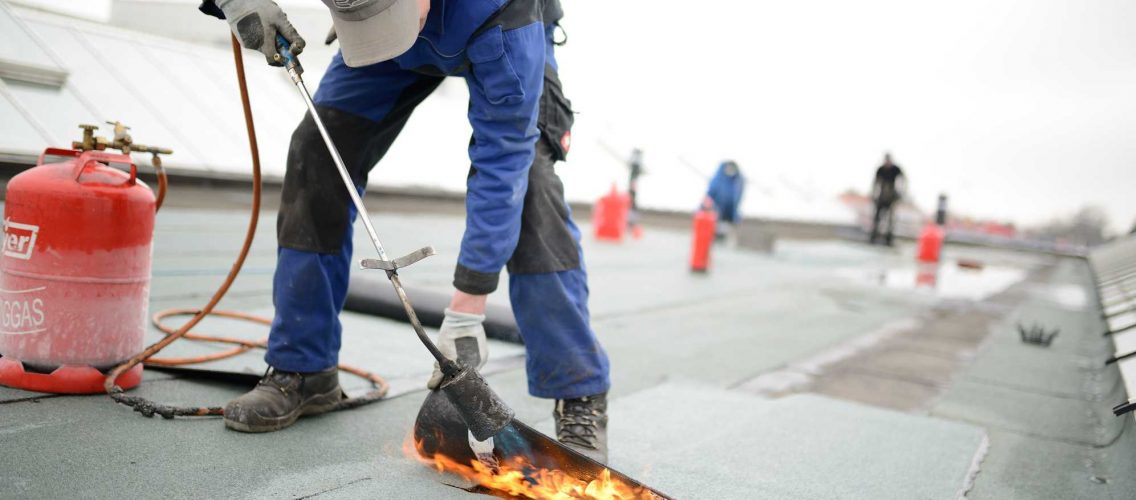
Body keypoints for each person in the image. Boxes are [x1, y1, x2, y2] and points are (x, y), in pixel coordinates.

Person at [201, 0, 611, 462]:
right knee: (318, 152)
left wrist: (467, 306)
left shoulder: (505, 16)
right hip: (395, 45)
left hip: (491, 26)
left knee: (531, 186)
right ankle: (303, 368)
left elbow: (503, 161)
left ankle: (579, 393)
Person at [869, 153, 906, 246]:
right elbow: (875, 183)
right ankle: (873, 237)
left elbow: (903, 180)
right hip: (881, 196)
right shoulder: (880, 169)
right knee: (877, 218)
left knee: (891, 220)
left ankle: (889, 239)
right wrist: (874, 194)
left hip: (891, 196)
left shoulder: (896, 169)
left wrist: (901, 192)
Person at [705, 160, 745, 240]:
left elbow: (737, 199)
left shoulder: (737, 182)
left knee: (723, 233)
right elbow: (710, 194)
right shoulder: (717, 179)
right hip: (715, 213)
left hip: (728, 216)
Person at [626, 148, 644, 233]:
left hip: (632, 189)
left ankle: (631, 224)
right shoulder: (635, 167)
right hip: (632, 189)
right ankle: (630, 223)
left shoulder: (635, 167)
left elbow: (633, 181)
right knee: (631, 199)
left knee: (631, 199)